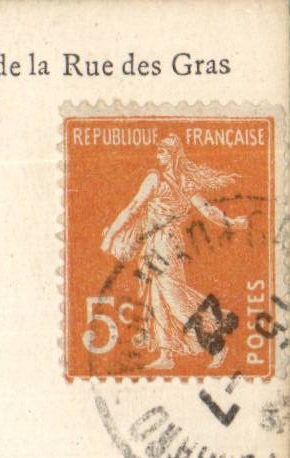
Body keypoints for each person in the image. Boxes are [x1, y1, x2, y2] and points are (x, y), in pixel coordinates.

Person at [100, 133, 249, 371]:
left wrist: (110, 236)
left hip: (164, 245)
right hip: (160, 244)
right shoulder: (179, 181)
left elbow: (134, 207)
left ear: (173, 156)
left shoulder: (158, 179)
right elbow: (204, 209)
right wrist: (231, 222)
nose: (158, 156)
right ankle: (166, 354)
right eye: (158, 151)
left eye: (163, 152)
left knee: (174, 298)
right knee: (157, 299)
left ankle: (216, 344)